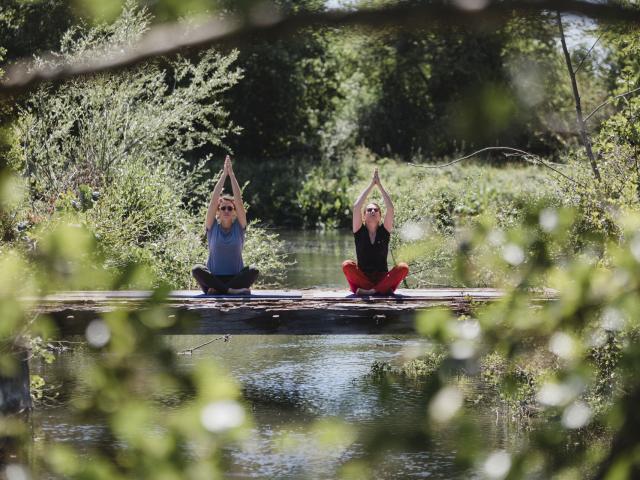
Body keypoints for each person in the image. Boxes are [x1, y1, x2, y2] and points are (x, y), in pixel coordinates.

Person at [192, 155, 259, 295]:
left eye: (230, 208)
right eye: (223, 208)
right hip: (213, 278)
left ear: (235, 212)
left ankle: (220, 290)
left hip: (235, 279)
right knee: (197, 269)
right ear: (218, 212)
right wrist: (224, 175)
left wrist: (232, 175)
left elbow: (239, 201)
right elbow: (213, 200)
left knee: (253, 270)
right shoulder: (212, 226)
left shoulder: (239, 227)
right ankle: (229, 291)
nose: (227, 210)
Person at [342, 167, 409, 295]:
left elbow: (390, 208)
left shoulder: (384, 231)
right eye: (369, 210)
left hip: (382, 279)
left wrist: (380, 185)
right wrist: (372, 184)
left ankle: (372, 291)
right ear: (364, 216)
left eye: (375, 210)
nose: (372, 211)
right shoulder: (359, 230)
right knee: (347, 265)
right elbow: (356, 207)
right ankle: (378, 290)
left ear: (380, 216)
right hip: (363, 279)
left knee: (403, 267)